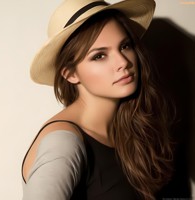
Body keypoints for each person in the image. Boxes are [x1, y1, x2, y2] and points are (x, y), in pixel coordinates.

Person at [22, 0, 173, 199]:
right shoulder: (63, 143)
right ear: (70, 74)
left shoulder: (129, 128)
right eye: (99, 56)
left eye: (125, 46)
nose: (123, 62)